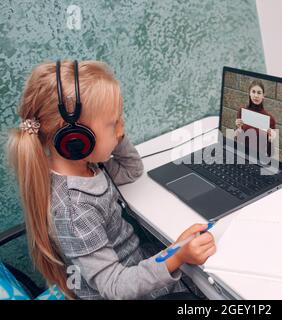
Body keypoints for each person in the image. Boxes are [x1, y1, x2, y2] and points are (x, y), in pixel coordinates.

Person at [7, 60, 216, 300]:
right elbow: (115, 287)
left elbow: (131, 170)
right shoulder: (75, 209)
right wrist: (177, 256)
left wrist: (115, 131)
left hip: (136, 263)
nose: (120, 130)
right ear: (75, 138)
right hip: (125, 289)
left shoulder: (87, 165)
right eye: (113, 123)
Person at [234, 80, 276, 156]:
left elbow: (270, 153)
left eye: (259, 93)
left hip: (258, 159)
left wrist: (270, 140)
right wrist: (237, 129)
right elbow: (237, 140)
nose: (256, 95)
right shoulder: (242, 112)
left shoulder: (270, 119)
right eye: (253, 92)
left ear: (263, 95)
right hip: (241, 155)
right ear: (249, 93)